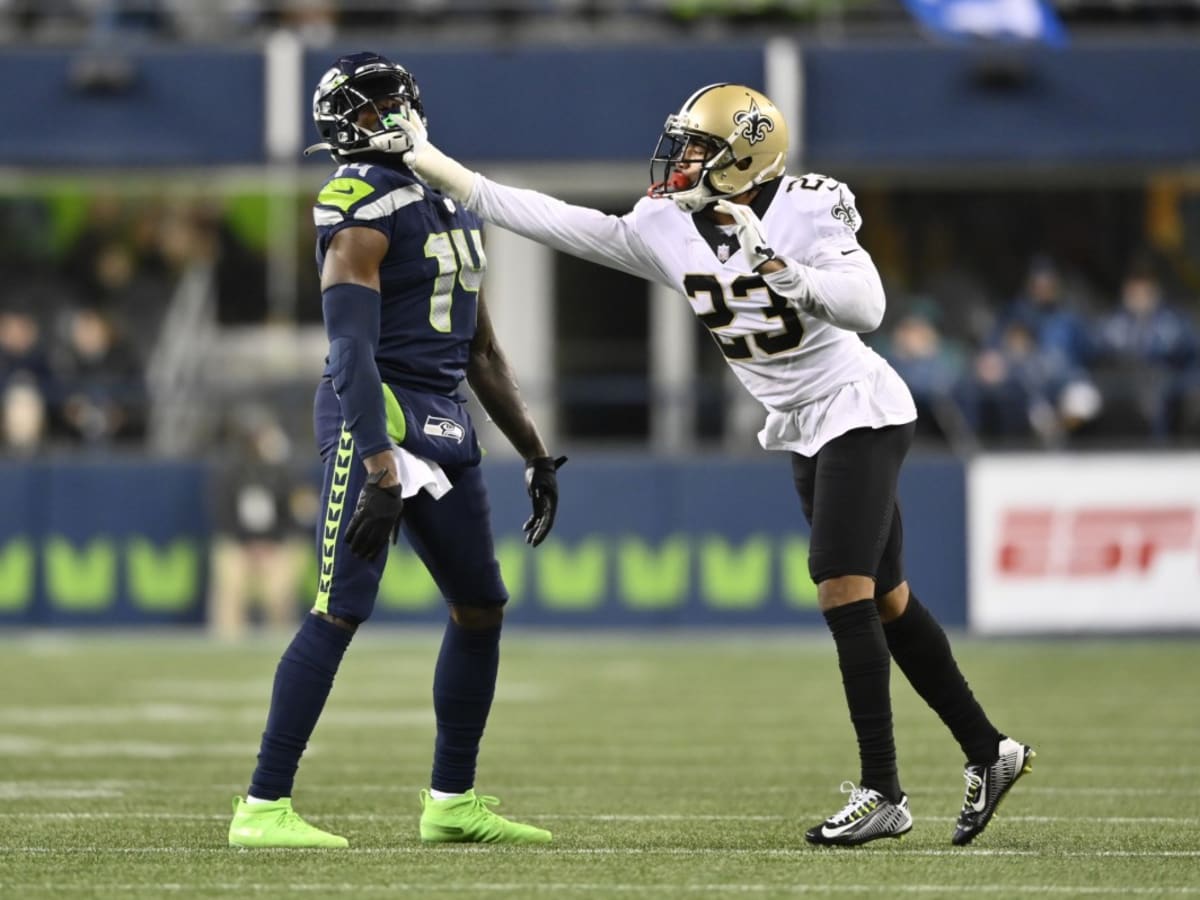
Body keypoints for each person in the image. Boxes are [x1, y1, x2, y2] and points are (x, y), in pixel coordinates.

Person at [390, 82, 1034, 847]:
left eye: (700, 148)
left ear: (747, 158)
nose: (681, 159)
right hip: (800, 423)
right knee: (886, 600)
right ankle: (989, 750)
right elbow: (546, 216)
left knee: (840, 584)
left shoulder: (807, 204)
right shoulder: (665, 223)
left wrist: (786, 270)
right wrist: (427, 160)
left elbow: (868, 307)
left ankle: (883, 789)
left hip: (859, 405)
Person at [228, 52, 564, 849]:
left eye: (399, 100)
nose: (398, 114)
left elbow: (481, 353)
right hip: (371, 415)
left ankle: (451, 800)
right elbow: (350, 352)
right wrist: (378, 464)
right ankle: (262, 806)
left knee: (481, 607)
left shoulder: (452, 199)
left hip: (443, 422)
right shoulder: (360, 202)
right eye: (377, 106)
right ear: (344, 122)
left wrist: (537, 454)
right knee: (340, 608)